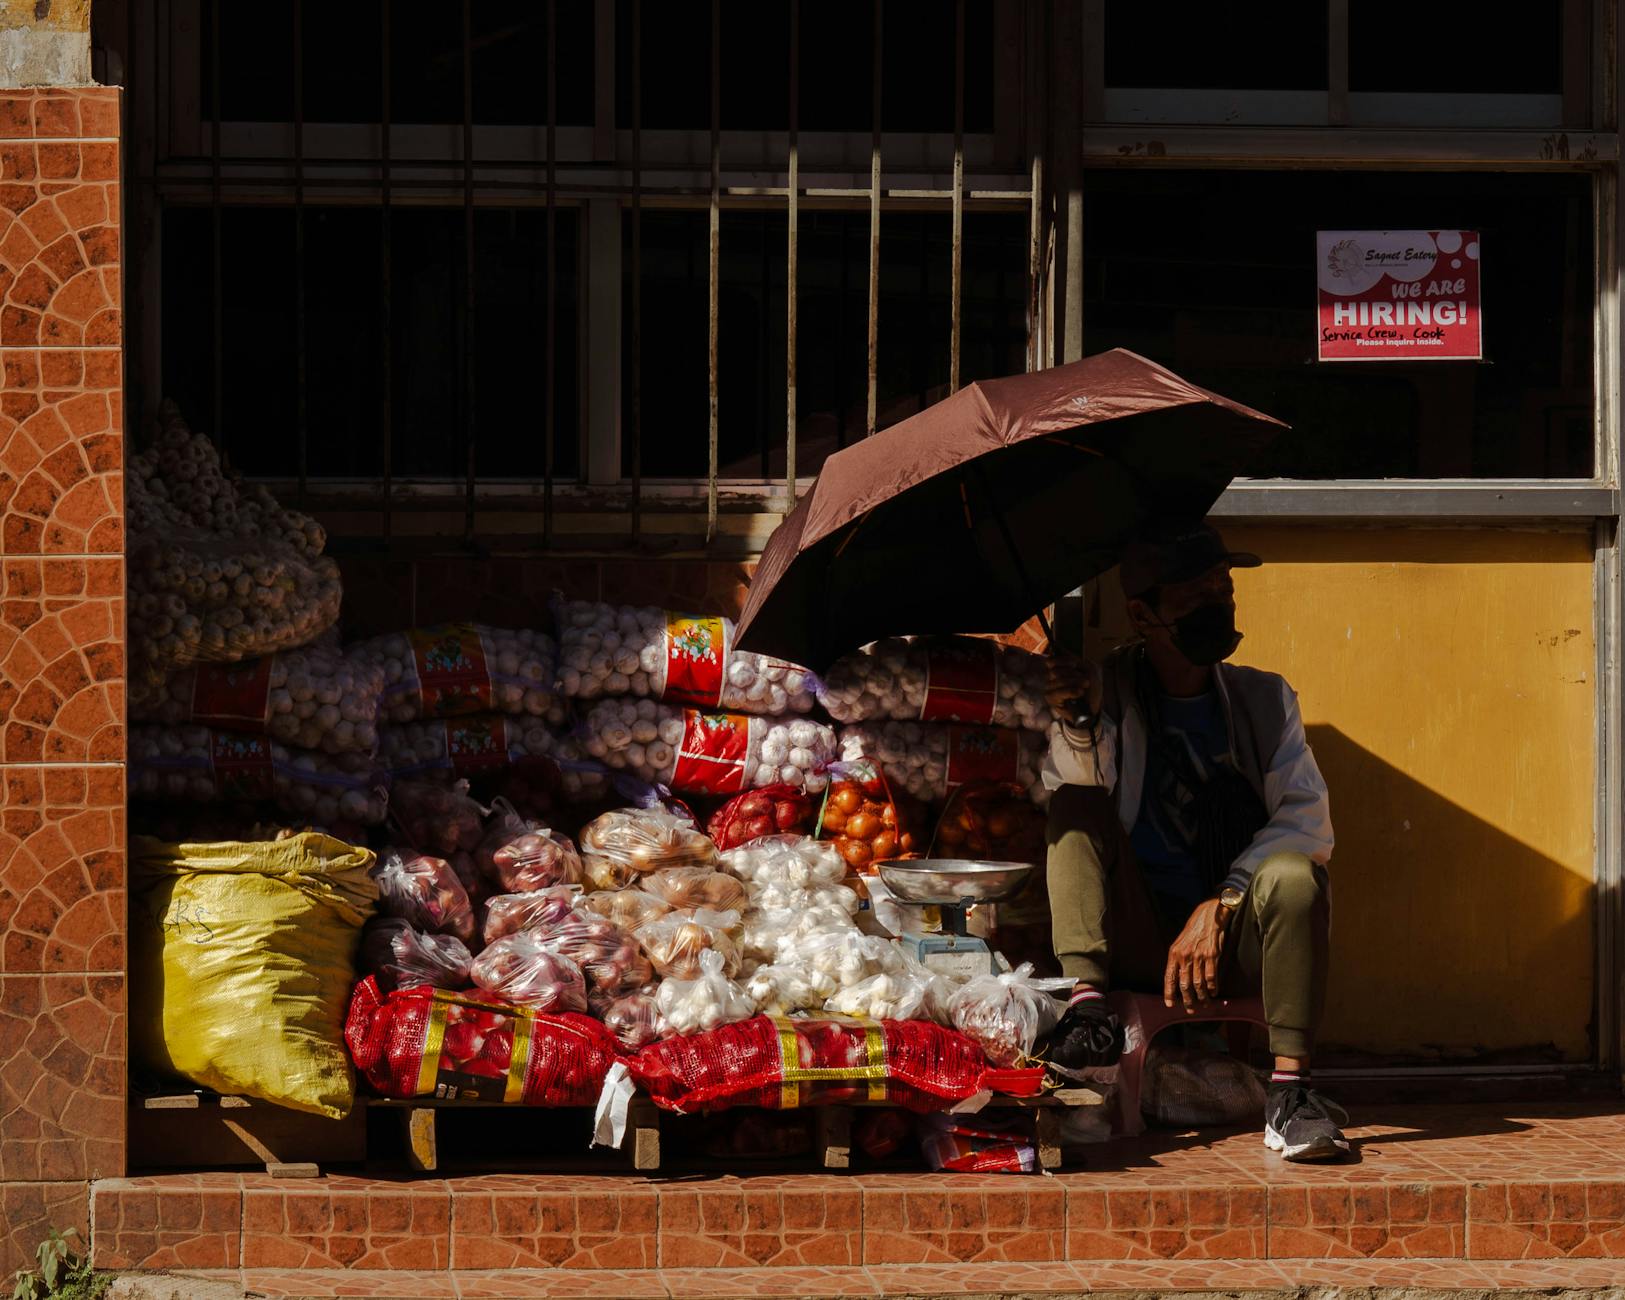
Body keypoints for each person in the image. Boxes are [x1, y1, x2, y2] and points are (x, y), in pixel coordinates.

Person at [1042, 521, 1346, 1162]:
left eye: (1224, 588)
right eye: (1195, 593)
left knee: (1295, 874)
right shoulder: (1111, 692)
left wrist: (1225, 900)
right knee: (1074, 806)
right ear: (1142, 613)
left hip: (1232, 939)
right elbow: (1077, 792)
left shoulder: (1265, 699)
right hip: (1137, 931)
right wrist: (1078, 722)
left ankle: (1291, 1098)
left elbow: (1308, 822)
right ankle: (1089, 1013)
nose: (1218, 603)